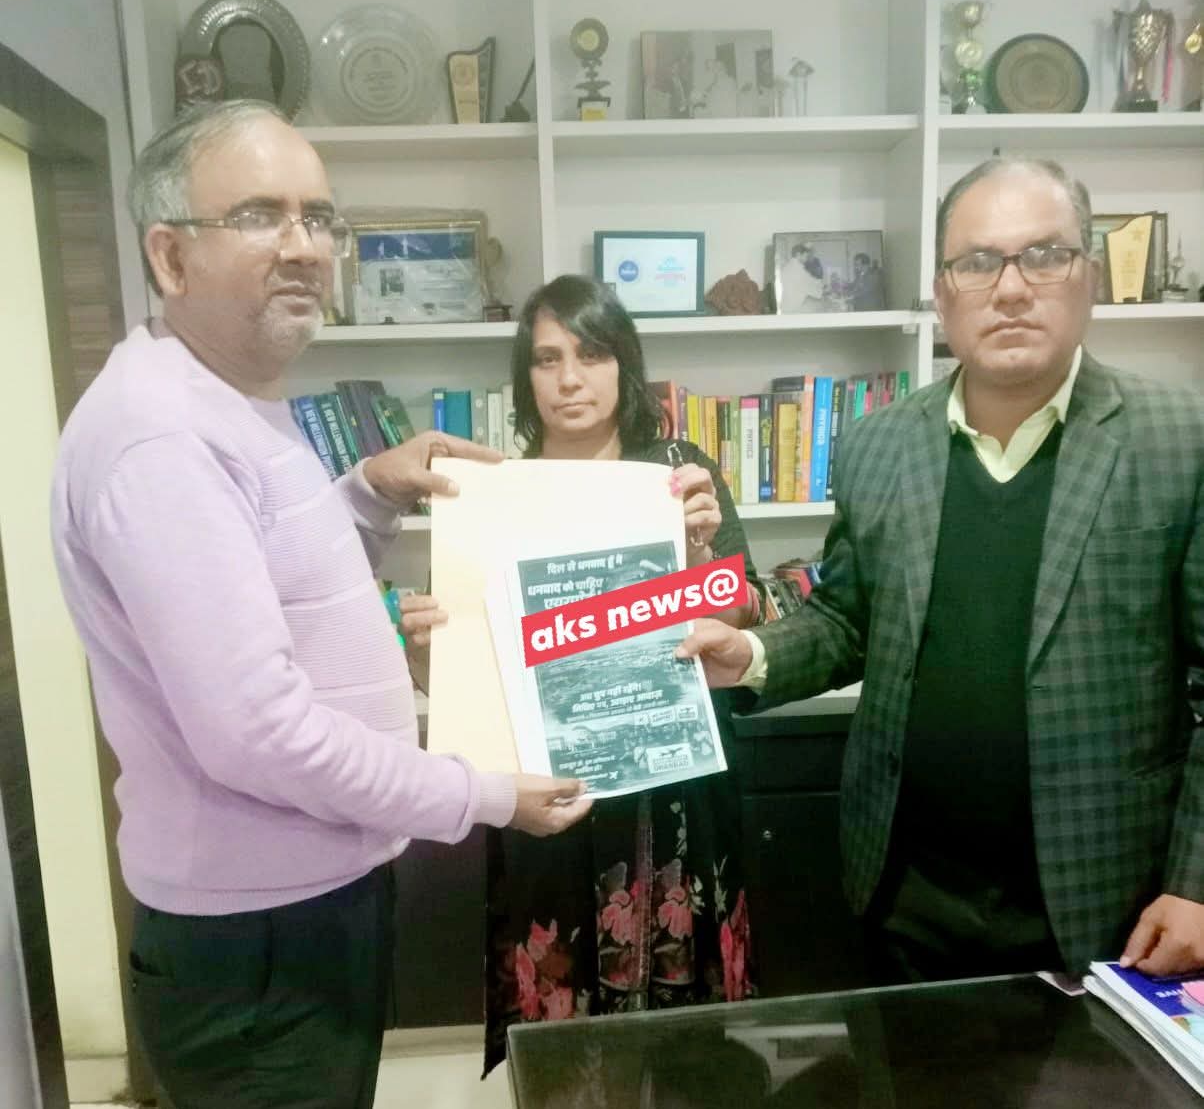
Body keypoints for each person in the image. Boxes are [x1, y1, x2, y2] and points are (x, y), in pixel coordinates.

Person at [49, 100, 591, 1109]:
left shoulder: (225, 400)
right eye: (260, 215)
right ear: (170, 256)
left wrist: (368, 494)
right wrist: (478, 794)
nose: (304, 247)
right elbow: (258, 733)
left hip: (301, 907)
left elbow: (266, 584)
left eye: (319, 217)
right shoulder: (161, 441)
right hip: (257, 941)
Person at [678, 157, 1204, 985]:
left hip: (1111, 897)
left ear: (1090, 276)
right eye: (979, 262)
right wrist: (751, 655)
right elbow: (850, 618)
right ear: (942, 291)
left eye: (1044, 255)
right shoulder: (880, 444)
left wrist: (1196, 881)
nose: (1012, 288)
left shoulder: (1181, 439)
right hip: (906, 892)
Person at [400, 276, 763, 1072]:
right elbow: (473, 671)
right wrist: (431, 652)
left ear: (623, 365)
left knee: (685, 1050)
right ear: (524, 376)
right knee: (564, 1048)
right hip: (550, 799)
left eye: (591, 355)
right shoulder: (495, 493)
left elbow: (743, 615)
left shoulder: (678, 474)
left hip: (670, 790)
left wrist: (700, 557)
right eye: (547, 359)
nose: (569, 379)